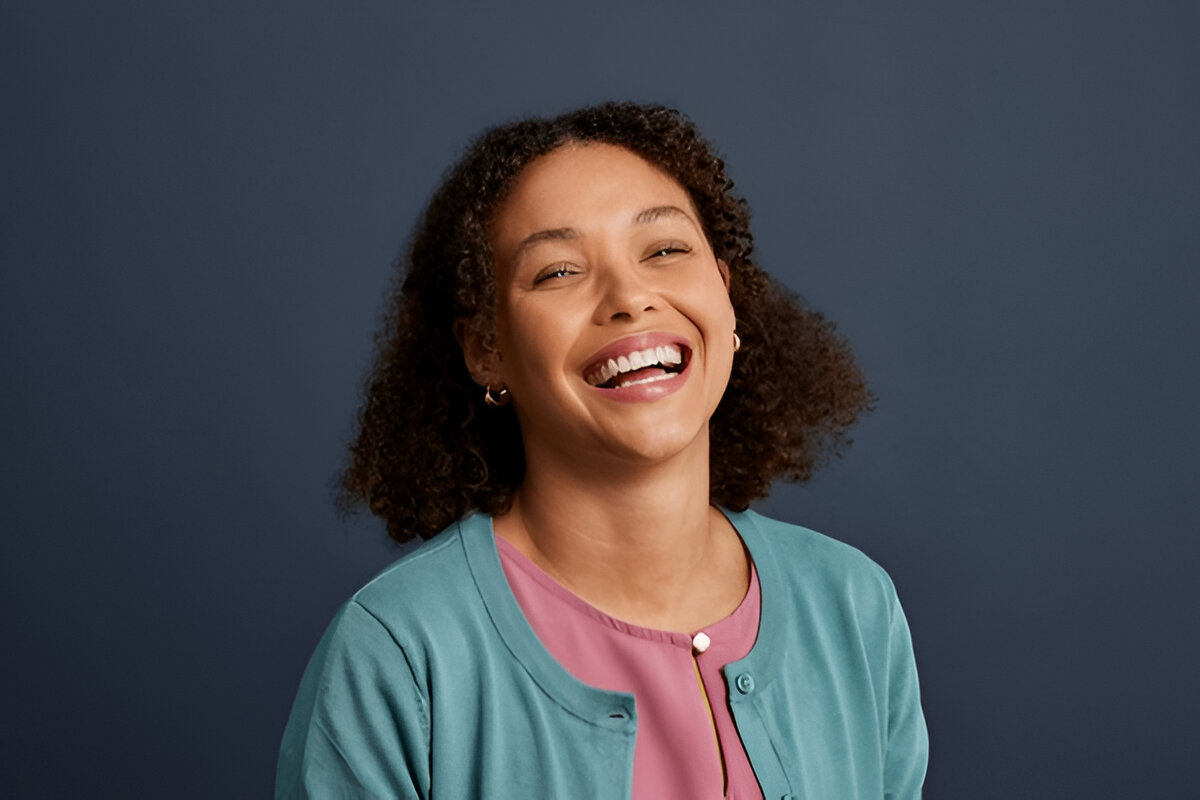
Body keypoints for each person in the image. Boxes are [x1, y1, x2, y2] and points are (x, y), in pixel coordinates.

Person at [276, 102, 927, 799]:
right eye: (558, 272)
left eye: (666, 251)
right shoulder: (399, 652)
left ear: (728, 299)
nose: (629, 298)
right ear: (487, 350)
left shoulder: (855, 606)